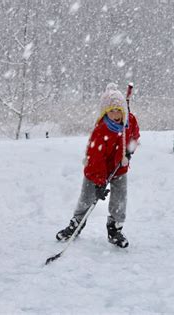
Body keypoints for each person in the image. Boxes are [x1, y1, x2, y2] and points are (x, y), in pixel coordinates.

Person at [56, 83, 140, 248]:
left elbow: (135, 135)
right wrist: (99, 182)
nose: (116, 115)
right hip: (96, 170)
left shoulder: (129, 121)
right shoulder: (100, 130)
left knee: (119, 199)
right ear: (105, 112)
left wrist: (130, 150)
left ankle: (115, 228)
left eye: (118, 110)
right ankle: (76, 224)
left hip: (119, 167)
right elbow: (95, 158)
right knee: (87, 198)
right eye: (111, 111)